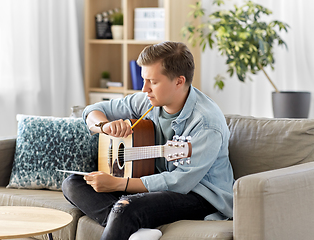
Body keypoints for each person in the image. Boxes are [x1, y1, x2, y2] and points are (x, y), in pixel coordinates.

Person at [62, 41, 234, 240]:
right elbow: (92, 111)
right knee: (73, 183)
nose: (144, 89)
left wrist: (118, 184)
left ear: (179, 81)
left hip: (199, 195)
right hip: (151, 185)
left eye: (152, 81)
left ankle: (127, 220)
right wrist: (105, 126)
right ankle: (136, 229)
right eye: (144, 80)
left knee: (126, 208)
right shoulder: (148, 100)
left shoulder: (206, 123)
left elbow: (179, 182)